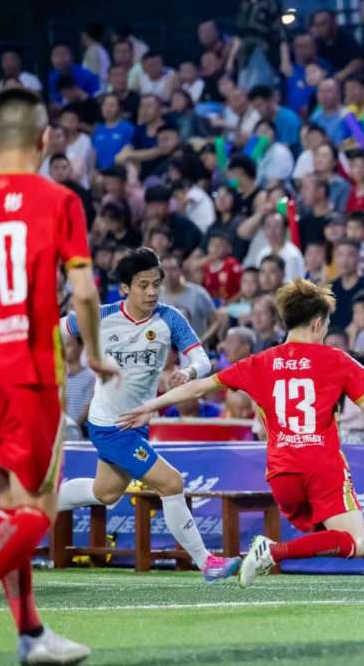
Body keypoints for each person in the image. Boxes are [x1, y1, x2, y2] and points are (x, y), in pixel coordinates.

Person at [119, 278, 364, 591]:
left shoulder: (259, 363)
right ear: (317, 323)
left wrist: (151, 406)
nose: (326, 333)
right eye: (326, 326)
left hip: (282, 474)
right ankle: (272, 552)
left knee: (334, 533)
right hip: (322, 466)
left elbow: (199, 387)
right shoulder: (337, 359)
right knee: (353, 541)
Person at [0, 87, 118, 663]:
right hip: (29, 370)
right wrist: (95, 353)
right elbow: (84, 291)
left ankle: (31, 634)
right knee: (37, 510)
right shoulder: (59, 199)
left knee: (10, 505)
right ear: (46, 138)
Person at [56, 249, 240, 584]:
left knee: (106, 493)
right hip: (111, 426)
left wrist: (189, 372)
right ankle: (207, 563)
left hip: (138, 423)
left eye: (156, 284)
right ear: (125, 288)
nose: (152, 291)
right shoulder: (100, 316)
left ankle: (40, 505)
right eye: (143, 285)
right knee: (171, 483)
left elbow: (202, 359)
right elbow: (57, 329)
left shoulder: (170, 318)